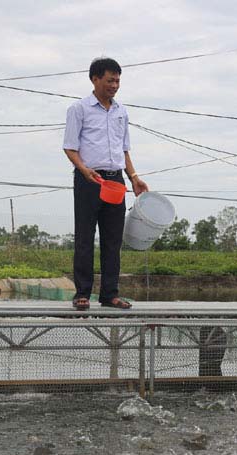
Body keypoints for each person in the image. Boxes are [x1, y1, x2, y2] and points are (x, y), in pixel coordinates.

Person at [63, 57, 149, 311]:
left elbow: (124, 150)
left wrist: (133, 178)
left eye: (118, 80)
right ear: (95, 79)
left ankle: (109, 294)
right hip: (89, 179)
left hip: (115, 180)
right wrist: (84, 169)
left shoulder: (121, 112)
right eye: (110, 80)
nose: (115, 85)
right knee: (85, 236)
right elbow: (69, 147)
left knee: (113, 239)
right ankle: (82, 294)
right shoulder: (79, 109)